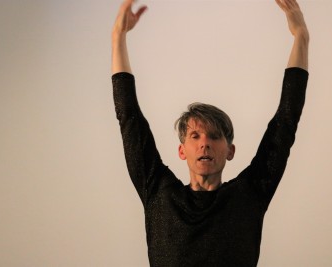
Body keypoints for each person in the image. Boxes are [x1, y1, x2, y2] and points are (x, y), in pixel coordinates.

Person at [111, 0, 309, 266]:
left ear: (230, 150)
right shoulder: (159, 193)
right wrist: (117, 38)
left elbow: (286, 120)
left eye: (215, 136)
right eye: (195, 136)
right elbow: (129, 120)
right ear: (181, 150)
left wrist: (301, 37)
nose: (205, 143)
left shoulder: (248, 195)